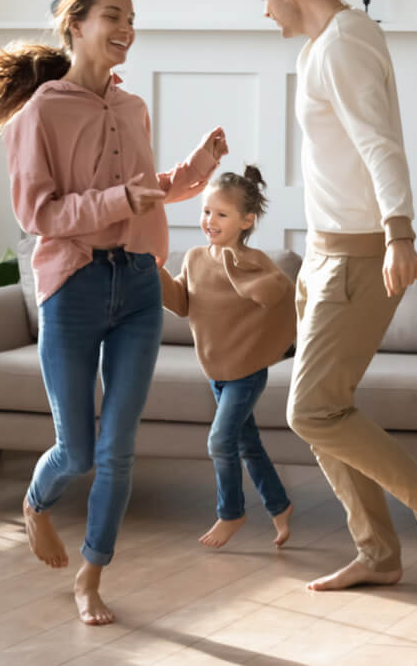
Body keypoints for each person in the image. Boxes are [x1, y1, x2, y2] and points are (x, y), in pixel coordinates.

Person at [0, 0, 228, 625]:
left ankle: (92, 576)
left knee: (117, 450)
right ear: (73, 23)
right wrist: (117, 202)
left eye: (133, 17)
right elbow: (38, 214)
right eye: (113, 15)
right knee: (75, 451)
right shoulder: (41, 113)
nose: (127, 26)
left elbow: (142, 190)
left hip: (136, 284)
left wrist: (193, 172)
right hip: (72, 290)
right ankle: (35, 503)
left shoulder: (132, 109)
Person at [238, 0, 417, 595]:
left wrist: (401, 235)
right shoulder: (333, 28)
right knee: (322, 414)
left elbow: (381, 144)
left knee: (310, 407)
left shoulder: (342, 45)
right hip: (322, 254)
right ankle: (377, 553)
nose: (264, 13)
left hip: (358, 257)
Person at [161, 166, 296, 550]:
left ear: (246, 220)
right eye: (206, 212)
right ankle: (280, 506)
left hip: (246, 371)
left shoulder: (254, 261)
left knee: (220, 441)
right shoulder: (194, 258)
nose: (210, 221)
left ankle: (230, 512)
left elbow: (273, 294)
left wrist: (235, 268)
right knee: (246, 444)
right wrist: (155, 275)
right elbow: (183, 303)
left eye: (221, 214)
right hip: (215, 370)